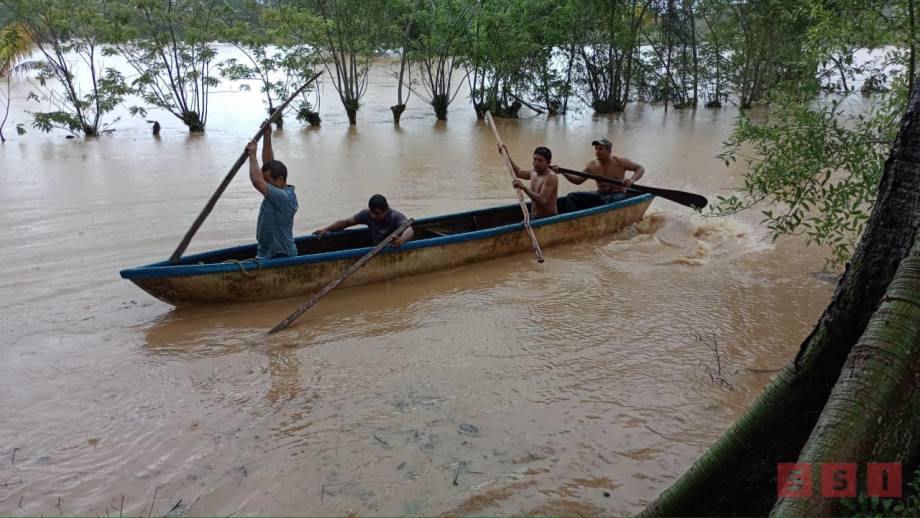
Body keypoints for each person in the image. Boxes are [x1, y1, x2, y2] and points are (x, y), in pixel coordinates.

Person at [247, 124, 299, 259]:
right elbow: (268, 162)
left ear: (281, 179)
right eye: (265, 180)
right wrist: (267, 135)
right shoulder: (277, 189)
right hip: (266, 252)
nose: (265, 183)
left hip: (281, 255)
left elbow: (257, 182)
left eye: (267, 180)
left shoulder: (283, 197)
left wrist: (252, 155)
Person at [559, 137, 646, 212]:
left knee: (609, 200)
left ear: (609, 150)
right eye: (596, 149)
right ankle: (575, 219)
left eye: (600, 149)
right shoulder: (592, 165)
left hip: (617, 195)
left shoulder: (620, 161)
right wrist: (563, 172)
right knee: (571, 196)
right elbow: (578, 180)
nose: (597, 151)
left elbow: (640, 168)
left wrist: (632, 180)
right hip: (600, 195)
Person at [314, 194, 415, 247]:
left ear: (386, 210)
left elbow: (409, 230)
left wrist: (402, 240)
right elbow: (346, 222)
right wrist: (327, 229)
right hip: (376, 247)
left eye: (377, 213)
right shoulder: (367, 214)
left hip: (390, 247)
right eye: (372, 212)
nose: (373, 216)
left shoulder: (396, 216)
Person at [497, 143, 559, 219]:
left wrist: (523, 187)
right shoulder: (533, 172)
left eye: (540, 160)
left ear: (548, 162)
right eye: (535, 159)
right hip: (534, 217)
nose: (536, 163)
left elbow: (542, 200)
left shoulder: (551, 177)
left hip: (548, 220)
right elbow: (518, 172)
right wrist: (506, 155)